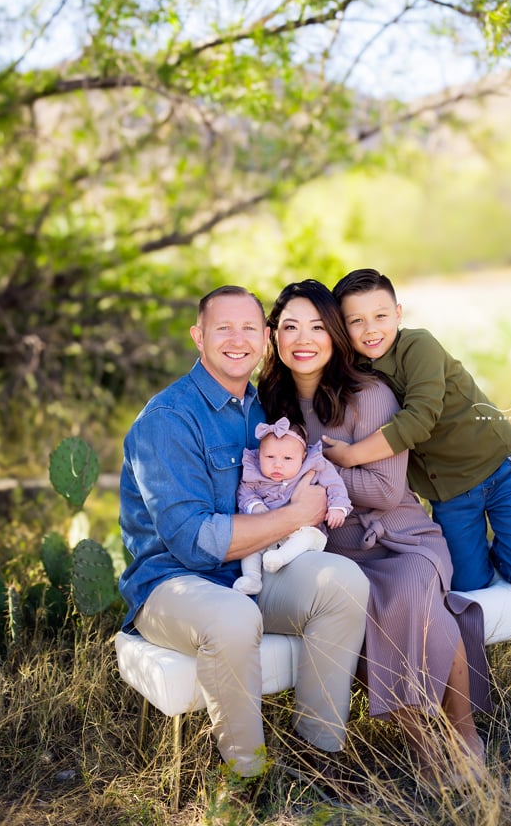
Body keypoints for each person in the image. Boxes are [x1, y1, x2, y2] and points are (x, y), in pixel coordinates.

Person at [118, 285, 369, 788]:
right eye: (223, 328)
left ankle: (319, 754)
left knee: (343, 580)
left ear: (265, 338)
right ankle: (248, 779)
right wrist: (298, 514)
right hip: (172, 583)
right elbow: (193, 541)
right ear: (198, 336)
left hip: (248, 571)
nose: (238, 339)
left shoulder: (262, 413)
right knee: (232, 615)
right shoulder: (168, 420)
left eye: (250, 328)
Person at [258, 279, 491, 788]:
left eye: (318, 326)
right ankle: (424, 746)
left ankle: (465, 732)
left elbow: (385, 491)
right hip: (333, 545)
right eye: (290, 326)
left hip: (401, 535)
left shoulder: (371, 395)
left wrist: (314, 474)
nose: (304, 338)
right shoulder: (269, 403)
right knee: (353, 606)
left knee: (411, 591)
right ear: (274, 336)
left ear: (335, 335)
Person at [324, 268, 511, 593]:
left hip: (500, 468)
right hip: (450, 491)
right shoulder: (354, 372)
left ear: (398, 314)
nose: (370, 329)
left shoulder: (419, 346)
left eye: (380, 316)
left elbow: (420, 419)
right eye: (356, 321)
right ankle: (480, 561)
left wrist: (349, 456)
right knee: (467, 583)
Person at [233, 417, 352, 595]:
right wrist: (254, 505)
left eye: (288, 458)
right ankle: (252, 578)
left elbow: (335, 485)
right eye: (269, 457)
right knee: (250, 545)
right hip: (266, 530)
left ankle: (280, 558)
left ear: (303, 457)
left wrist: (338, 507)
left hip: (300, 529)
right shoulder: (254, 472)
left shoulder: (315, 466)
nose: (277, 464)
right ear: (259, 456)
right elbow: (244, 492)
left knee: (309, 536)